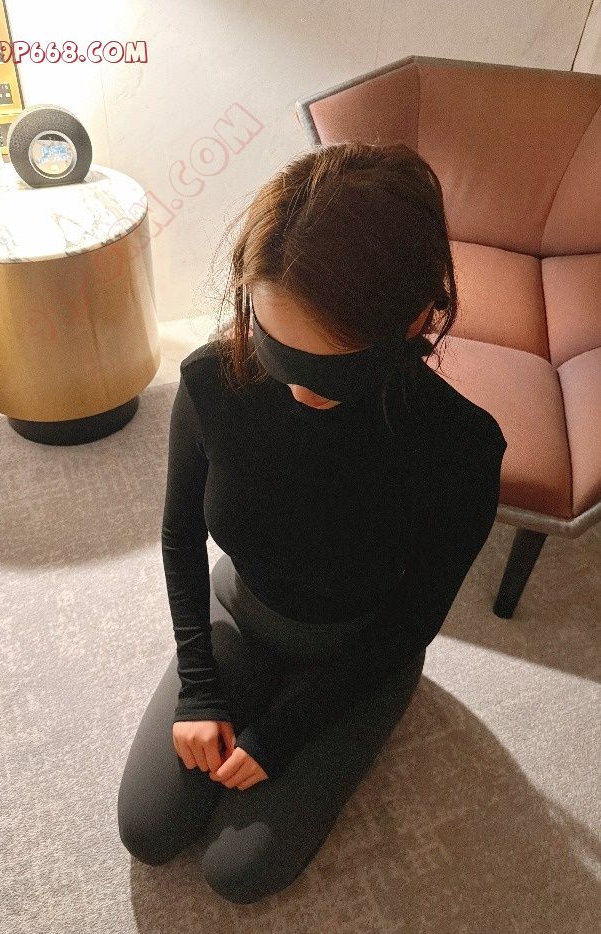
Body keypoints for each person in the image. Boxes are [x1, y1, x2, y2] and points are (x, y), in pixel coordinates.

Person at [117, 141, 507, 904]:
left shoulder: (459, 446)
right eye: (276, 351)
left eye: (333, 368)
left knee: (240, 872)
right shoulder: (212, 380)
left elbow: (416, 615)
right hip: (239, 612)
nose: (298, 391)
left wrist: (286, 729)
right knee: (149, 829)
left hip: (361, 650)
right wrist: (199, 688)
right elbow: (179, 536)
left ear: (419, 317)